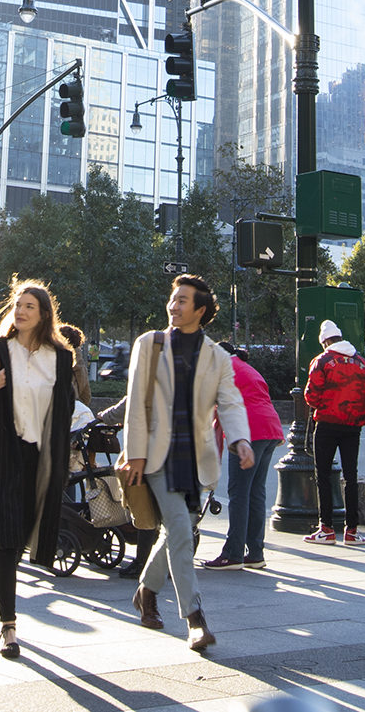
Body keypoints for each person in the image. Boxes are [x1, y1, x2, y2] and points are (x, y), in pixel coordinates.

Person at [119, 273, 252, 653]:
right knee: (180, 528)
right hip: (158, 453)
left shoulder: (218, 356)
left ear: (201, 310)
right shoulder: (150, 344)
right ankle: (195, 619)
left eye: (182, 301)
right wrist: (136, 455)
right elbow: (136, 405)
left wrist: (241, 439)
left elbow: (229, 402)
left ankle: (145, 590)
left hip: (196, 458)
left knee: (178, 533)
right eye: (173, 299)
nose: (173, 306)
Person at [0, 280, 77, 660]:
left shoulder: (59, 357)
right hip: (0, 455)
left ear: (44, 315)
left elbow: (67, 405)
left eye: (30, 306)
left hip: (39, 458)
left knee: (27, 532)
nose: (22, 311)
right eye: (18, 305)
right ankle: (9, 628)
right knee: (7, 541)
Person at [201, 346, 286, 571]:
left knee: (238, 493)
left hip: (249, 432)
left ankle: (233, 553)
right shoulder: (246, 368)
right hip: (270, 429)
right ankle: (255, 552)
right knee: (255, 492)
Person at [303, 320, 365, 546]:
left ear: (325, 341)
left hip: (326, 424)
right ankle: (352, 531)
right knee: (351, 476)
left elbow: (311, 396)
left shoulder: (322, 361)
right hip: (353, 426)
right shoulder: (363, 363)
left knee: (323, 476)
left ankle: (325, 528)